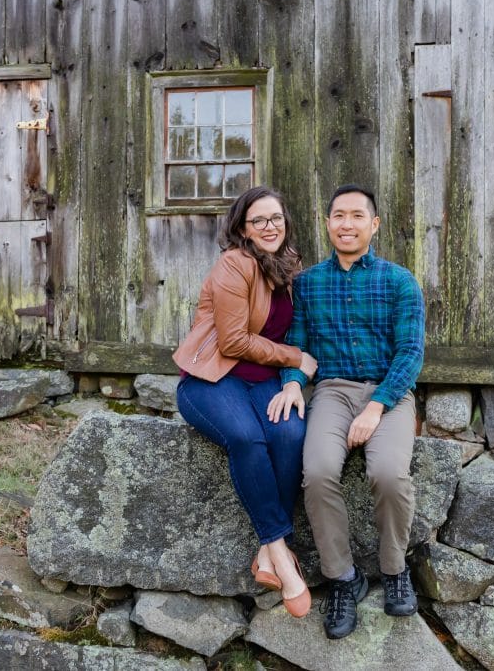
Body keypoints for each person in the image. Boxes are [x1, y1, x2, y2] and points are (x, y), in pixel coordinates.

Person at [268, 184, 425, 639]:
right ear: (328, 223)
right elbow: (297, 347)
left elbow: (411, 353)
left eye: (358, 216)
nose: (347, 224)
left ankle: (395, 570)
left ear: (373, 225)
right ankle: (342, 579)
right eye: (339, 215)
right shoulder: (309, 283)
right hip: (332, 392)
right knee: (316, 472)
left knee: (389, 474)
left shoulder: (399, 281)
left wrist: (376, 407)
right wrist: (294, 385)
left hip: (389, 393)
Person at [173, 185, 319, 618]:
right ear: (242, 228)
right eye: (259, 221)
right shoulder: (234, 265)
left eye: (276, 218)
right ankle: (281, 554)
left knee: (290, 433)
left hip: (265, 383)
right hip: (212, 380)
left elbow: (296, 332)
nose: (269, 227)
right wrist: (296, 359)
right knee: (246, 437)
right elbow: (234, 341)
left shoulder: (288, 267)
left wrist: (293, 381)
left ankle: (264, 554)